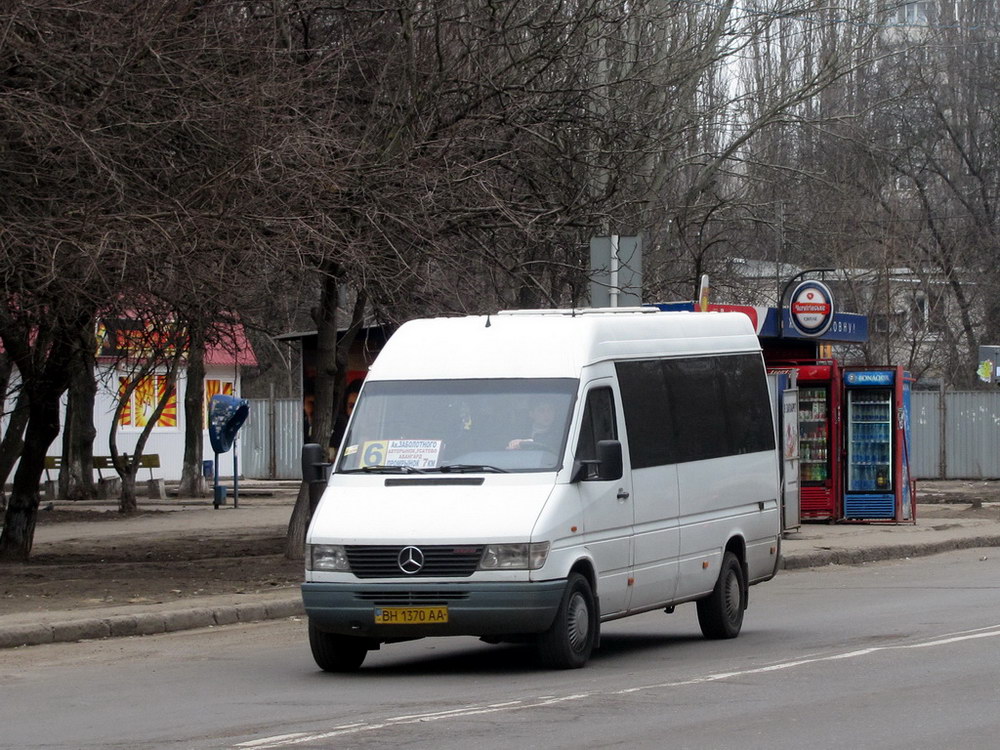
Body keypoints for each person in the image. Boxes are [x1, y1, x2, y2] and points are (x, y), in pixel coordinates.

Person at [329, 380, 362, 459]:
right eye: (351, 406)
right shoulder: (340, 434)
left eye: (361, 405)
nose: (356, 411)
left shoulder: (381, 434)